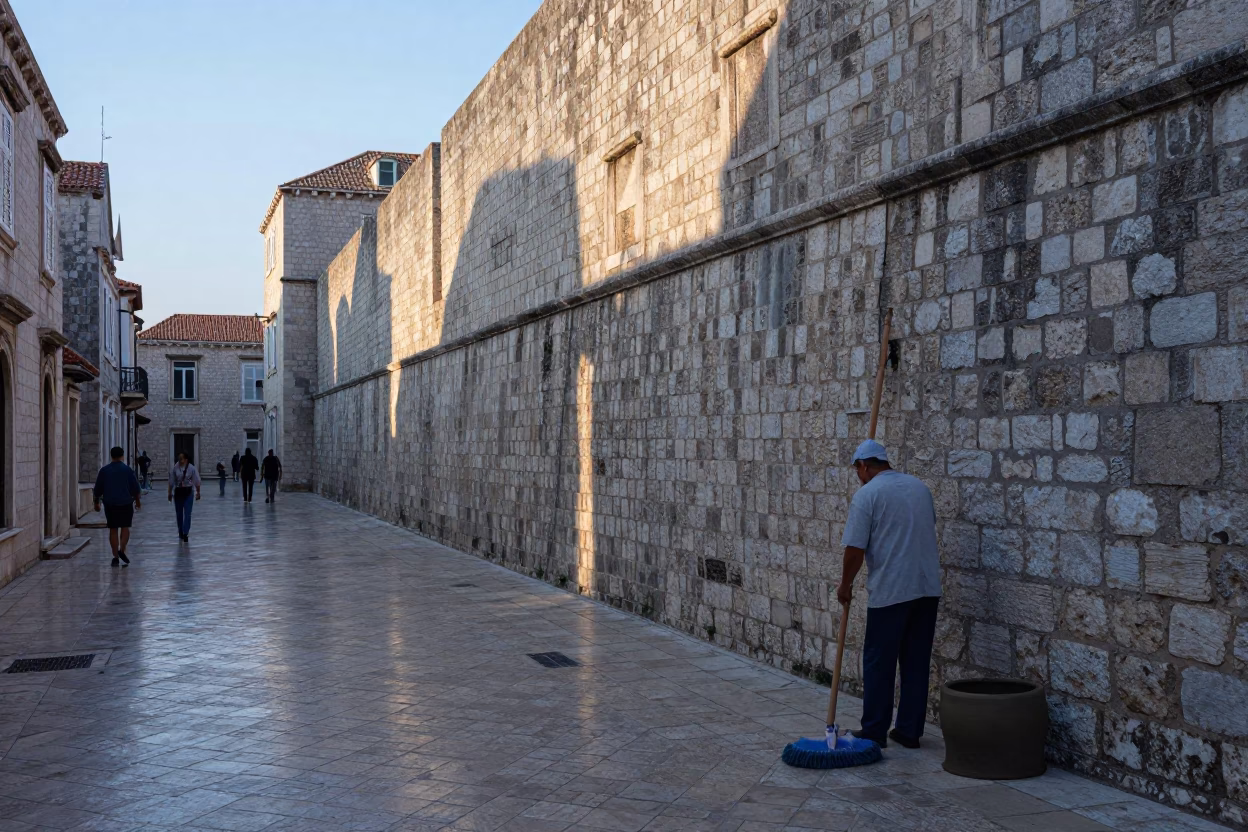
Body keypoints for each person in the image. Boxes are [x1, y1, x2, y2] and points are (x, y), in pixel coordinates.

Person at [837, 439, 942, 750]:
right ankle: (909, 731)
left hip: (891, 590)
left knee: (879, 662)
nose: (858, 475)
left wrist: (845, 585)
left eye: (857, 470)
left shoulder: (867, 495)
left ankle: (874, 730)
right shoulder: (919, 488)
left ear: (864, 466)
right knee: (915, 661)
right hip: (926, 587)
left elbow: (855, 549)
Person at [93, 446, 141, 567]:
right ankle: (122, 550)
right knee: (125, 527)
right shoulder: (127, 470)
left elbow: (98, 489)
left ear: (111, 456)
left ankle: (115, 557)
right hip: (126, 503)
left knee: (113, 529)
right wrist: (138, 501)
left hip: (110, 503)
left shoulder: (104, 471)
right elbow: (136, 489)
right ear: (122, 456)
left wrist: (96, 503)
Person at [168, 452, 202, 542]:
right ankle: (180, 532)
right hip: (178, 492)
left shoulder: (191, 468)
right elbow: (171, 481)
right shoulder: (175, 468)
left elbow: (196, 481)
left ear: (186, 460)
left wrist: (198, 492)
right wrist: (169, 493)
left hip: (188, 492)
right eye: (179, 458)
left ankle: (185, 532)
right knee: (179, 514)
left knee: (187, 513)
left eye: (182, 458)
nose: (180, 460)